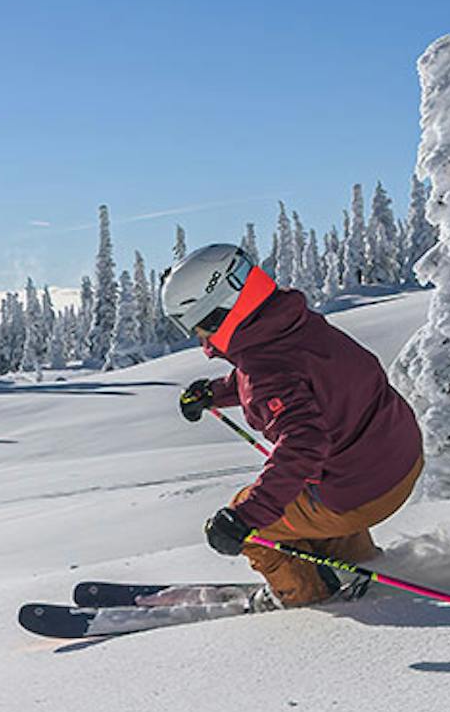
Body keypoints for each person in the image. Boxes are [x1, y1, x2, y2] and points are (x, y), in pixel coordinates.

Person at [160, 243, 422, 607]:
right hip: (398, 460)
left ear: (220, 312)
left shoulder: (265, 368)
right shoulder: (293, 325)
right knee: (313, 488)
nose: (200, 338)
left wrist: (243, 519)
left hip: (361, 494)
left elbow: (303, 444)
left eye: (198, 326)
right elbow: (298, 378)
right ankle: (354, 562)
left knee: (254, 521)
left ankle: (306, 595)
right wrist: (216, 393)